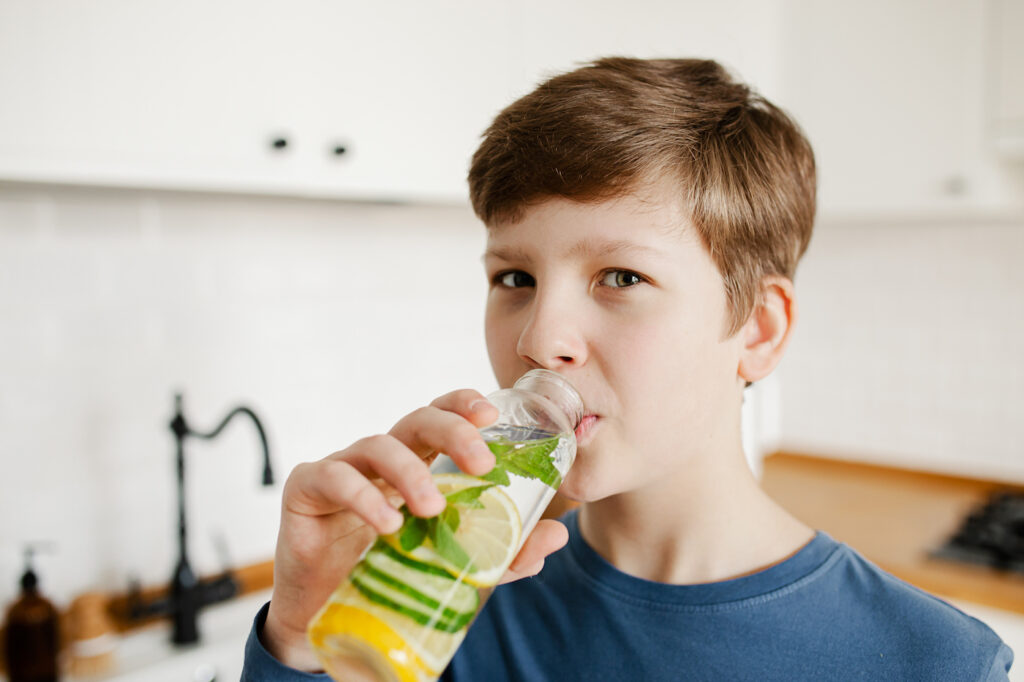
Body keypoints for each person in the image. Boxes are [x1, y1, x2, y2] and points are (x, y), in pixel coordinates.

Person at [242, 57, 1013, 680]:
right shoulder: (426, 610)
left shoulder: (936, 664)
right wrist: (298, 639)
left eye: (621, 278)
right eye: (514, 278)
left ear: (758, 330)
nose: (541, 340)